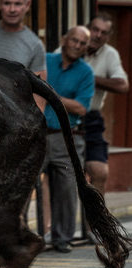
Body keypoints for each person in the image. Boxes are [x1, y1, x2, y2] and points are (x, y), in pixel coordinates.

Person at [43, 26, 94, 253]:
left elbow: (81, 108)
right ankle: (17, 235)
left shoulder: (86, 72)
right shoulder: (45, 60)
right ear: (64, 40)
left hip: (66, 139)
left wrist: (50, 94)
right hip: (37, 135)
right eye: (74, 40)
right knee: (23, 185)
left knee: (66, 188)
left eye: (82, 43)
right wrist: (65, 100)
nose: (77, 45)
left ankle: (62, 237)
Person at [81, 13, 129, 195]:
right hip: (64, 116)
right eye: (95, 29)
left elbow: (123, 85)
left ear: (108, 36)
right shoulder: (71, 45)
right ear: (88, 28)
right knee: (62, 172)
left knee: (99, 172)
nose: (98, 35)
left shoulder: (110, 54)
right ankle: (52, 223)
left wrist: (88, 78)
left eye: (104, 32)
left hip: (91, 118)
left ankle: (95, 222)